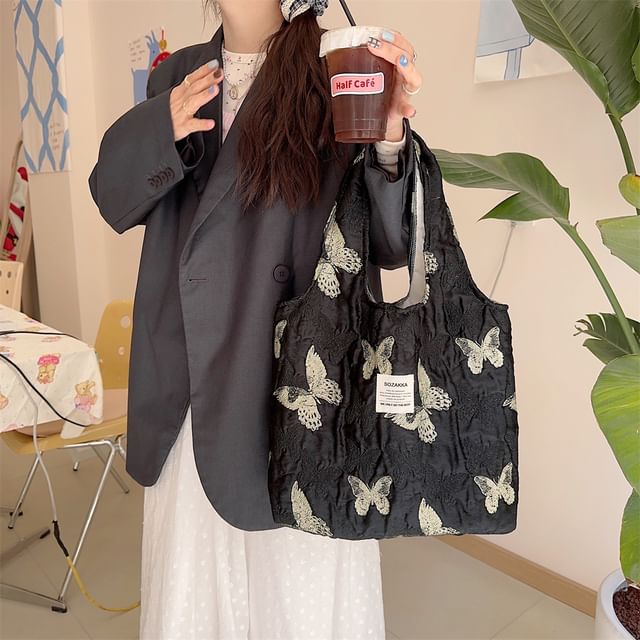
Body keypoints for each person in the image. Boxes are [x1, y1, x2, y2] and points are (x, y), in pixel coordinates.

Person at [88, 0, 422, 637]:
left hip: (289, 380)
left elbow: (388, 244)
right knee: (195, 594)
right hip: (188, 374)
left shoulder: (337, 65)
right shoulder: (178, 74)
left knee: (293, 600)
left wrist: (388, 143)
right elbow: (112, 197)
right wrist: (163, 126)